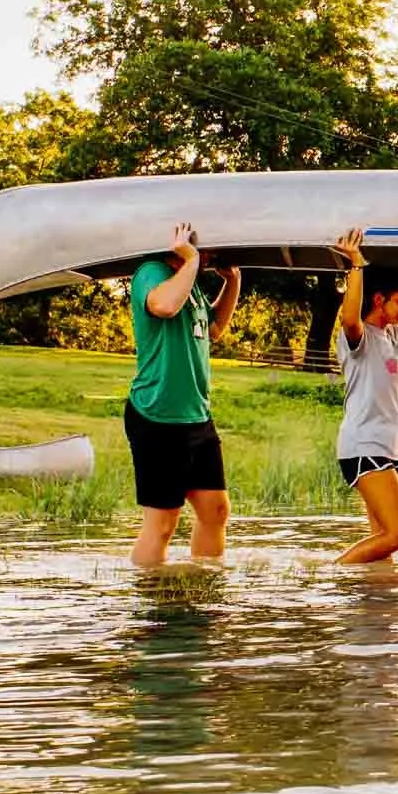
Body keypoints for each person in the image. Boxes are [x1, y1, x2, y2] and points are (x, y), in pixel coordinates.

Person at [125, 222, 240, 567]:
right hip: (157, 414)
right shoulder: (151, 272)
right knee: (162, 524)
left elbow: (214, 329)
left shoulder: (191, 285)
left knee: (215, 510)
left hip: (196, 416)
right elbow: (164, 306)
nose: (212, 256)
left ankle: (204, 585)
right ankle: (148, 593)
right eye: (209, 249)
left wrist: (232, 282)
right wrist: (191, 260)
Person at [330, 227, 398, 564]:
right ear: (378, 300)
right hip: (365, 445)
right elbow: (349, 317)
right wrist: (356, 265)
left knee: (383, 542)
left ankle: (377, 592)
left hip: (390, 449)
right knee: (397, 535)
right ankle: (331, 576)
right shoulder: (358, 338)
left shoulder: (392, 336)